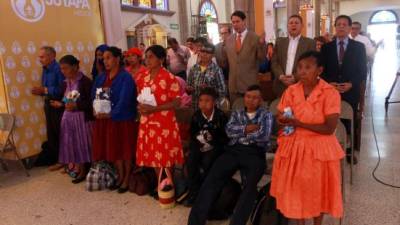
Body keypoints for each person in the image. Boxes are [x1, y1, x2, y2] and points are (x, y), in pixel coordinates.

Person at [270, 51, 344, 225]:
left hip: (320, 148)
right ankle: (300, 223)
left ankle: (317, 223)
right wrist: (281, 120)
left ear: (319, 70)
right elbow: (283, 117)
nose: (302, 71)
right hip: (294, 145)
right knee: (297, 190)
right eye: (300, 67)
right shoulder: (291, 91)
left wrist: (299, 123)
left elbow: (328, 128)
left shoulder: (329, 92)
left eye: (308, 67)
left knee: (318, 190)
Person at [188, 85, 273, 225]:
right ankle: (195, 222)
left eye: (255, 97)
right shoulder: (237, 113)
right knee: (212, 178)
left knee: (250, 186)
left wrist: (240, 132)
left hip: (255, 153)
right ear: (244, 98)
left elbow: (263, 136)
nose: (251, 100)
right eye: (248, 96)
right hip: (234, 150)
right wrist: (247, 129)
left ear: (261, 100)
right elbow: (228, 131)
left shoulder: (266, 115)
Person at [135, 45, 184, 190]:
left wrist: (155, 109)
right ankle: (159, 183)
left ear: (161, 59)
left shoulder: (169, 77)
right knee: (153, 153)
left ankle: (169, 184)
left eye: (151, 57)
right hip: (148, 121)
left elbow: (177, 101)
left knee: (166, 153)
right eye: (146, 57)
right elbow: (140, 97)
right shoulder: (143, 77)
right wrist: (141, 107)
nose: (147, 60)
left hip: (164, 121)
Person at [320, 15, 367, 163]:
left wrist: (352, 84)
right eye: (338, 24)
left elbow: (362, 71)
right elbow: (321, 70)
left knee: (349, 122)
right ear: (335, 27)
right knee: (329, 120)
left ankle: (349, 150)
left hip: (350, 91)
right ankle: (329, 147)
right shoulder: (326, 47)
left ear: (349, 28)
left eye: (344, 24)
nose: (341, 27)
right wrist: (329, 84)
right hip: (330, 91)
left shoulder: (359, 47)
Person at [92, 46, 137, 193]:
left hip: (123, 119)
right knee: (115, 149)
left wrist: (110, 114)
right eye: (103, 59)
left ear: (117, 59)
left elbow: (124, 101)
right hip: (106, 121)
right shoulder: (101, 77)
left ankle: (126, 177)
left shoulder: (125, 77)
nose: (105, 61)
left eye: (108, 58)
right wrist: (95, 108)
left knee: (125, 149)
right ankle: (119, 175)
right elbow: (95, 96)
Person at [50, 55, 93, 183]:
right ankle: (76, 168)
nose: (63, 71)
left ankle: (84, 170)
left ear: (75, 67)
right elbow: (67, 100)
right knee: (72, 144)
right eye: (61, 69)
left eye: (66, 68)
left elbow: (91, 103)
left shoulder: (85, 82)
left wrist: (77, 105)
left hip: (81, 119)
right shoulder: (65, 83)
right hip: (68, 118)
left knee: (82, 144)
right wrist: (61, 104)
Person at [183, 87, 228, 206]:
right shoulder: (196, 116)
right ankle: (193, 192)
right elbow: (192, 134)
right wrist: (200, 141)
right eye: (201, 100)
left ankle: (207, 193)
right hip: (199, 145)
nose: (203, 103)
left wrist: (211, 140)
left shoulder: (221, 116)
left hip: (216, 147)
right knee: (191, 161)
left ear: (214, 102)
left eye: (207, 101)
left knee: (208, 161)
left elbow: (225, 138)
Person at [222, 11, 266, 103]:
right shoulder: (229, 40)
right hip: (233, 86)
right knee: (236, 112)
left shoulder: (255, 38)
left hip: (249, 85)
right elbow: (225, 61)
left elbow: (262, 58)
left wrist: (262, 45)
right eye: (233, 22)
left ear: (244, 21)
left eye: (237, 21)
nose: (235, 24)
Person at [32, 46, 65, 170]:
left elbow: (62, 89)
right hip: (49, 105)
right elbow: (46, 89)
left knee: (61, 133)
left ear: (52, 56)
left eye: (42, 57)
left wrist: (44, 90)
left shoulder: (59, 69)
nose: (40, 59)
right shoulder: (45, 70)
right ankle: (59, 159)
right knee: (52, 135)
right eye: (39, 57)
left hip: (58, 105)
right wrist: (41, 91)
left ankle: (65, 160)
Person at [271, 15, 316, 98]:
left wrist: (295, 77)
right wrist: (280, 76)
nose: (293, 25)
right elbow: (274, 61)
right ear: (287, 26)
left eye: (296, 23)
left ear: (302, 26)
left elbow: (311, 64)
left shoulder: (310, 43)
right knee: (283, 110)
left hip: (301, 84)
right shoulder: (280, 42)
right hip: (281, 84)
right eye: (291, 23)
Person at [187, 43, 227, 111]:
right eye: (202, 51)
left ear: (213, 55)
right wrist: (189, 89)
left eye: (208, 52)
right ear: (199, 52)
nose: (204, 54)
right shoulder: (193, 68)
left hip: (211, 108)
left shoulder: (217, 70)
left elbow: (223, 91)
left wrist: (209, 89)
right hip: (196, 106)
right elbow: (189, 85)